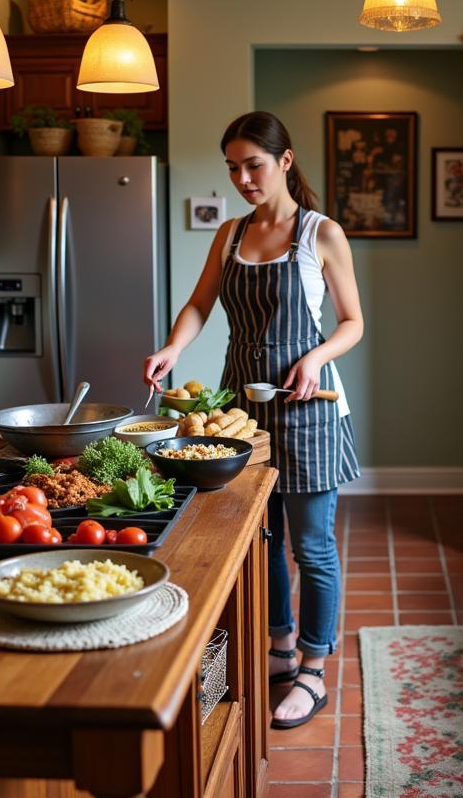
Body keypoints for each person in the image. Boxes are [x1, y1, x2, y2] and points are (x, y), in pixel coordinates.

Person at [143, 111, 362, 728]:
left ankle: (314, 671)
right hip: (238, 411)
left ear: (285, 162)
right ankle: (280, 648)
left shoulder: (322, 233)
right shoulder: (231, 234)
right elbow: (199, 303)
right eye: (233, 168)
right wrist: (172, 348)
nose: (242, 178)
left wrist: (316, 357)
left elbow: (353, 322)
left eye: (254, 165)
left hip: (310, 408)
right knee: (258, 540)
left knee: (313, 548)